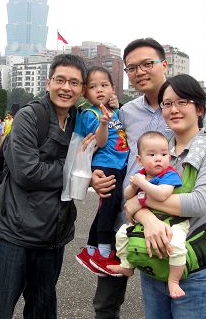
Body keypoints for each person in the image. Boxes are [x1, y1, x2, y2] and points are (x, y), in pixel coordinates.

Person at [90, 38, 206, 319]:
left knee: (181, 293)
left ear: (164, 64)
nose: (140, 72)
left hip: (177, 222)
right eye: (132, 67)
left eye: (147, 64)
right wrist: (93, 177)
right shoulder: (126, 112)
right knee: (107, 302)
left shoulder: (199, 110)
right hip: (127, 215)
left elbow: (205, 174)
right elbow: (112, 152)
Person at [0, 54, 88, 319]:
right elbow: (27, 173)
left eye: (74, 82)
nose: (66, 88)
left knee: (42, 312)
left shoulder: (80, 120)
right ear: (47, 82)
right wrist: (72, 169)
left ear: (82, 89)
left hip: (52, 238)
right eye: (60, 80)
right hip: (12, 235)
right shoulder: (30, 116)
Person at [122, 75, 206, 318]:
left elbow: (198, 203)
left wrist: (139, 202)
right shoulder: (161, 147)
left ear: (200, 109)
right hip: (153, 261)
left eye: (182, 102)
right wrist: (148, 219)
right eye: (167, 104)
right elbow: (129, 190)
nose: (174, 109)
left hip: (194, 269)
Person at [111, 131, 186, 299]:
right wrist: (133, 185)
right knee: (122, 234)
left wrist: (142, 184)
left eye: (164, 154)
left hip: (173, 221)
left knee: (177, 245)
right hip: (148, 219)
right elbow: (127, 196)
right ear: (139, 160)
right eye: (152, 154)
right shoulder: (142, 175)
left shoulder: (169, 174)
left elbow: (162, 195)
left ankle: (174, 281)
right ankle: (126, 265)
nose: (159, 158)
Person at [75, 66, 129, 277]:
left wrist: (115, 108)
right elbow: (100, 141)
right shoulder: (91, 113)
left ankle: (90, 248)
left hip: (119, 165)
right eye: (93, 86)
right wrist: (104, 124)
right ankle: (104, 250)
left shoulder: (115, 111)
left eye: (104, 85)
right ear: (85, 92)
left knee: (111, 206)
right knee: (108, 207)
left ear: (112, 89)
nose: (99, 90)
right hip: (105, 165)